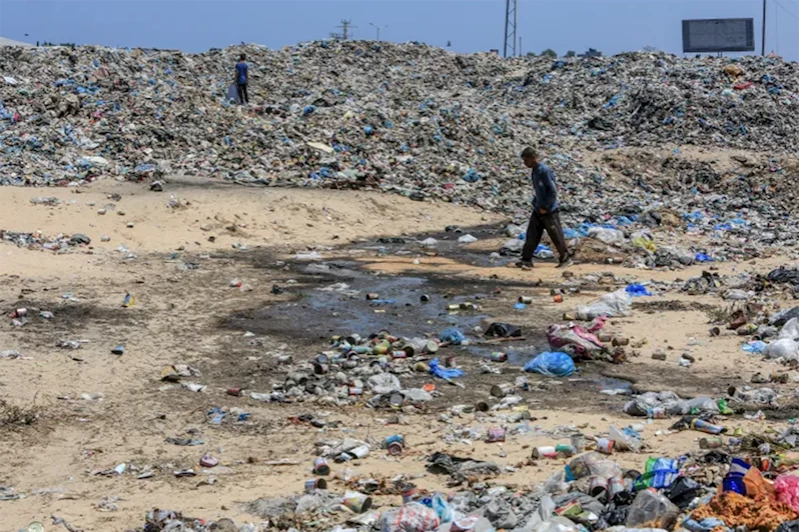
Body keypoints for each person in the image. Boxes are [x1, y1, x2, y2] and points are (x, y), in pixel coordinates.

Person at [515, 147, 573, 269]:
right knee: (532, 234)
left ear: (533, 158)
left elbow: (552, 191)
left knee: (556, 235)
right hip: (538, 208)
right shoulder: (534, 171)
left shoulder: (544, 171)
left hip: (549, 210)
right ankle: (526, 259)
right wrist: (536, 204)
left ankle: (565, 258)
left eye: (526, 160)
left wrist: (546, 207)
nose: (525, 163)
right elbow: (538, 191)